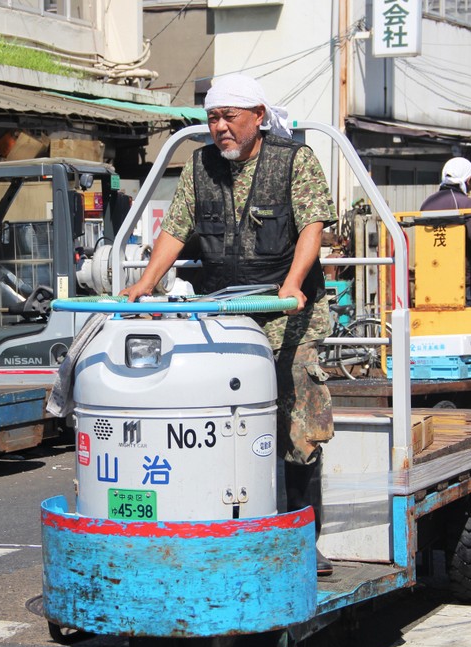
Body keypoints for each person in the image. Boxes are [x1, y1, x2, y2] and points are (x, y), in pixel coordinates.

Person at [120, 73, 337, 576]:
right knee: (221, 421)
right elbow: (177, 227)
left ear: (258, 116)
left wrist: (292, 284)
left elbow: (312, 226)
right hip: (226, 315)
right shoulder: (201, 165)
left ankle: (304, 537)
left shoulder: (292, 160)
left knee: (296, 422)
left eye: (229, 117)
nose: (219, 128)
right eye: (212, 118)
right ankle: (224, 525)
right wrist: (147, 281)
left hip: (290, 315)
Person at [420, 157, 471, 305]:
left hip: (429, 279)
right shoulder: (465, 203)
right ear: (468, 180)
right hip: (460, 281)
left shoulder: (427, 203)